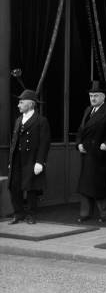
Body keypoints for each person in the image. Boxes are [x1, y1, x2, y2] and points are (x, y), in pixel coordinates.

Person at [7, 89, 50, 225]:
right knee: (15, 187)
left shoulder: (41, 121)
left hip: (31, 159)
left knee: (31, 187)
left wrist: (40, 162)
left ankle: (31, 215)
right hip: (17, 159)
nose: (18, 105)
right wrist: (11, 160)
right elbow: (14, 142)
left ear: (30, 104)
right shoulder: (19, 119)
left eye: (21, 102)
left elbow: (44, 143)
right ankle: (18, 213)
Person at [75, 81, 106, 223]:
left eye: (96, 96)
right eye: (91, 95)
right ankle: (85, 213)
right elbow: (81, 129)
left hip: (100, 154)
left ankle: (104, 214)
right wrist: (78, 143)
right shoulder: (88, 110)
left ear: (103, 97)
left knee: (100, 185)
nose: (93, 98)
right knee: (85, 185)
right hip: (87, 153)